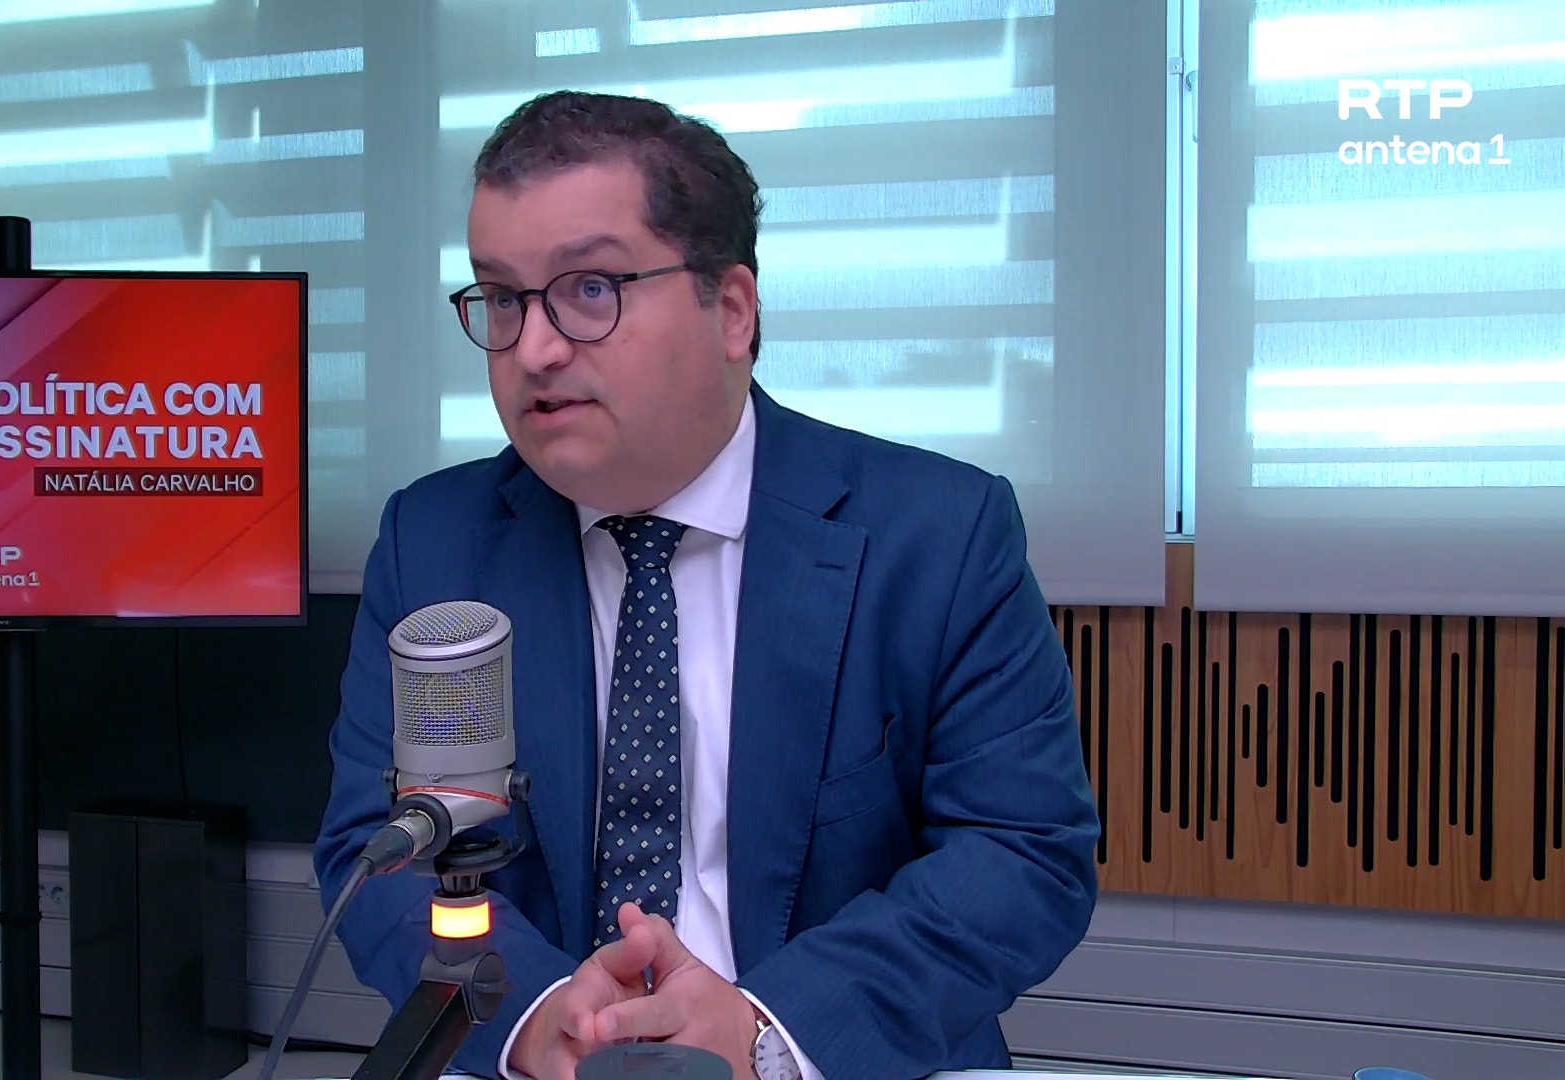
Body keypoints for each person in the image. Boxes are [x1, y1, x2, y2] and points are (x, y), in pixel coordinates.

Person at [314, 91, 1099, 1080]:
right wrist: (535, 1016)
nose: (535, 348)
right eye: (503, 298)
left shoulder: (936, 535)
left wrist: (768, 1032)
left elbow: (1021, 854)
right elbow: (379, 849)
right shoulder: (434, 542)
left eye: (589, 289)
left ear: (730, 310)